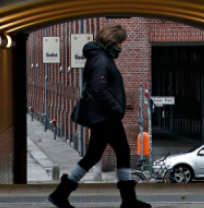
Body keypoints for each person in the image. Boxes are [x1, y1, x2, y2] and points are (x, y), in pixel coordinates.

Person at [49, 24, 150, 208]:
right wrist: (117, 107)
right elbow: (99, 88)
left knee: (96, 155)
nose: (121, 47)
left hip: (103, 116)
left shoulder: (99, 58)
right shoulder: (102, 60)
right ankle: (128, 200)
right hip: (106, 117)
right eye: (120, 42)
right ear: (112, 41)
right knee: (119, 152)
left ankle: (61, 193)